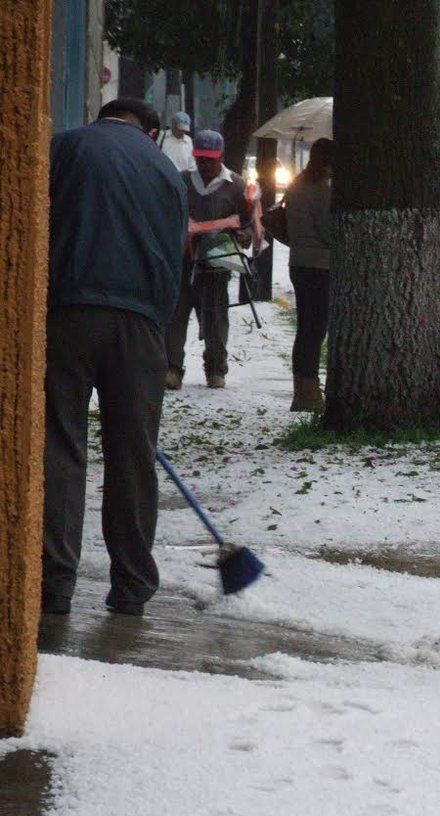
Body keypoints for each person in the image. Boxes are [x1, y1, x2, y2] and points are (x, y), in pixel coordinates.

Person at [43, 97, 188, 616]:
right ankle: (131, 585)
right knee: (133, 457)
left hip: (69, 312)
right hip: (141, 324)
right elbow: (177, 258)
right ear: (150, 130)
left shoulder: (65, 147)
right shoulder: (166, 170)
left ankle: (53, 581)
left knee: (61, 444)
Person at [165, 130, 253, 390]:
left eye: (210, 160)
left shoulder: (235, 185)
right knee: (177, 315)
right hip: (183, 262)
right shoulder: (182, 181)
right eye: (201, 159)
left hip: (216, 264)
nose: (205, 165)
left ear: (221, 157)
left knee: (215, 316)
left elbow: (247, 222)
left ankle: (215, 369)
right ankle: (172, 368)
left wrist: (244, 236)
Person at [284, 138, 333, 412]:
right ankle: (309, 392)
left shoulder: (296, 185)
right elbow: (327, 231)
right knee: (315, 330)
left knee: (305, 328)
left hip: (298, 262)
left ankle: (302, 390)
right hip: (319, 265)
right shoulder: (320, 191)